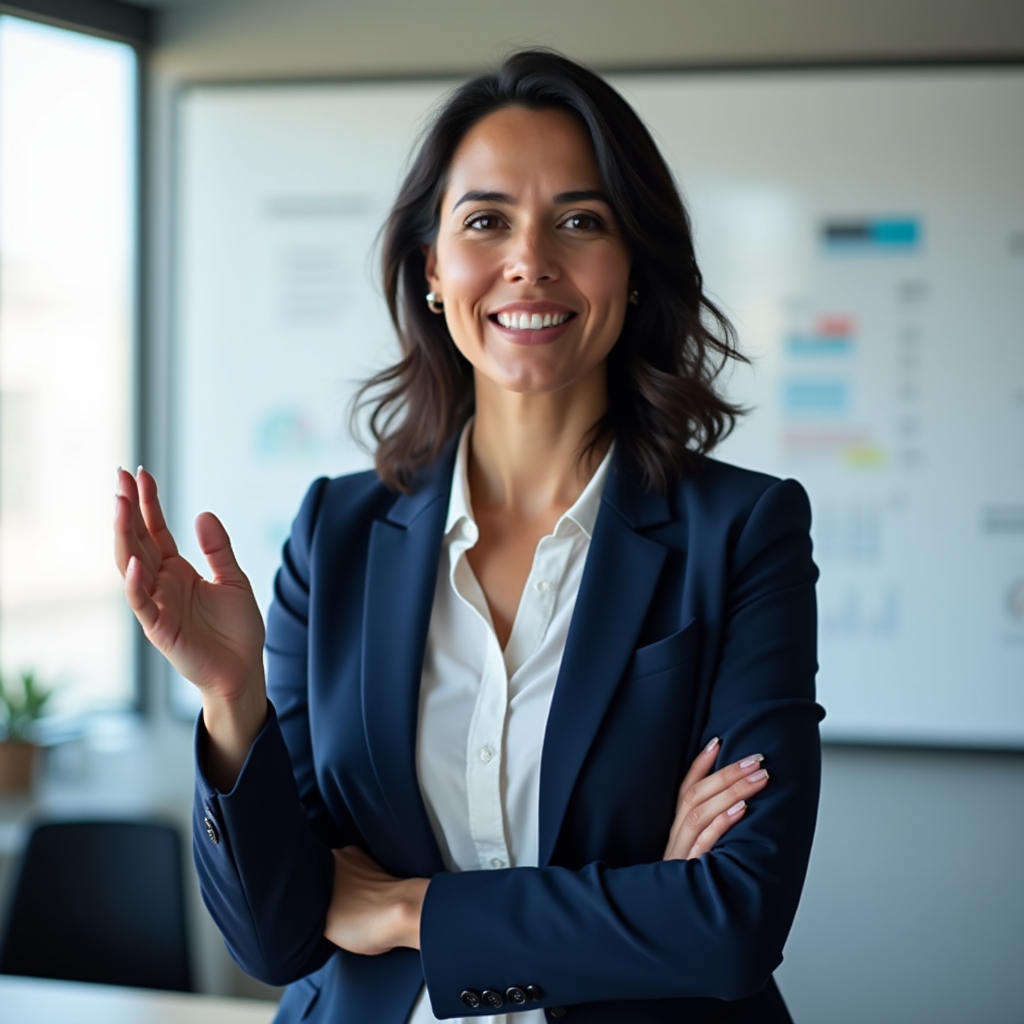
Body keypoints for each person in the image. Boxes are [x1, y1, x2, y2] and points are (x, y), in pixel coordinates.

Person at [114, 49, 822, 1024]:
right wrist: (231, 701)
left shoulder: (743, 531)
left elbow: (731, 921)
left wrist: (412, 909)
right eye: (485, 221)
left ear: (636, 267)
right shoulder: (336, 532)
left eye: (580, 220)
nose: (529, 259)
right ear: (434, 272)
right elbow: (275, 936)